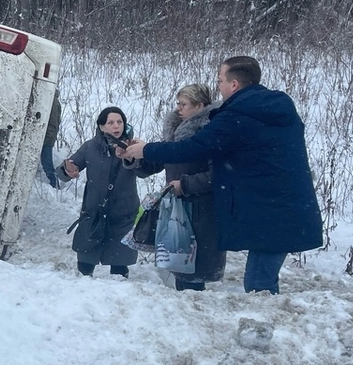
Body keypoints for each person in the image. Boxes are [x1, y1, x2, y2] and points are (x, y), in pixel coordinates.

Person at [120, 56, 323, 294]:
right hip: (285, 205)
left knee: (260, 285)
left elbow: (195, 147)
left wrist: (146, 149)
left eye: (220, 80)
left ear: (234, 84)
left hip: (270, 210)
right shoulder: (276, 107)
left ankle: (261, 328)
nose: (219, 87)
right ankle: (261, 323)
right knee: (261, 279)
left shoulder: (238, 116)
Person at [124, 83, 226, 291]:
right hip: (176, 210)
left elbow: (218, 175)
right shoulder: (175, 132)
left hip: (202, 212)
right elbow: (157, 163)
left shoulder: (210, 133)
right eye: (178, 103)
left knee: (193, 272)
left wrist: (185, 184)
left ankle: (193, 314)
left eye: (184, 104)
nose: (178, 108)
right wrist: (134, 156)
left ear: (200, 106)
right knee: (180, 267)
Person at [57, 105, 146, 278]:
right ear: (101, 126)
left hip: (123, 213)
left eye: (120, 122)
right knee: (85, 264)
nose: (116, 126)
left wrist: (132, 157)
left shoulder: (134, 147)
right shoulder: (90, 147)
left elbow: (145, 170)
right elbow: (68, 167)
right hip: (94, 213)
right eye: (111, 122)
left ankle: (117, 300)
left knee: (120, 267)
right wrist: (68, 170)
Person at [41, 91, 62, 188]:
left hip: (47, 137)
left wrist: (46, 137)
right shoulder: (54, 101)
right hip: (48, 136)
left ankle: (54, 183)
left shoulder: (52, 102)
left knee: (47, 162)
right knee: (46, 160)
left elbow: (53, 123)